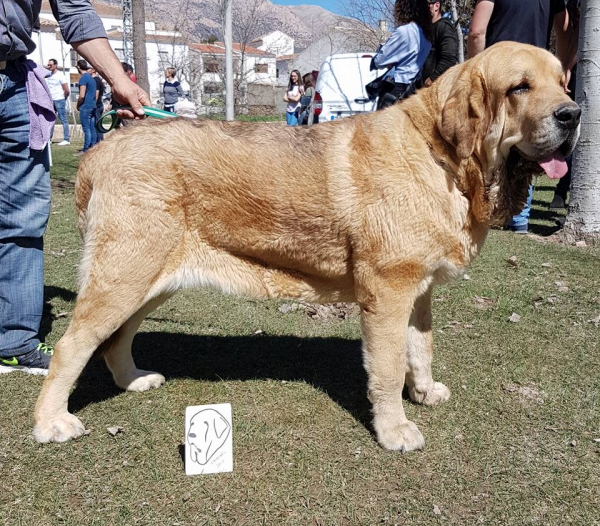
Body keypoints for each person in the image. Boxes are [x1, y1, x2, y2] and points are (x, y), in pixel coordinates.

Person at [0, 0, 150, 375]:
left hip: (14, 80)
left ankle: (15, 343)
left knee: (23, 218)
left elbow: (76, 13)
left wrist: (120, 81)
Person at [467, 0, 572, 234]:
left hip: (502, 82)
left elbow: (476, 32)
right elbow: (565, 30)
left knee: (488, 148)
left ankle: (493, 212)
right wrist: (562, 70)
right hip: (538, 81)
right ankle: (519, 220)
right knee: (532, 145)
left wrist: (472, 77)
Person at [371, 0, 432, 110]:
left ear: (403, 9)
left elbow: (379, 61)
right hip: (414, 90)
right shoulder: (426, 38)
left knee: (384, 125)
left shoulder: (403, 31)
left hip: (396, 88)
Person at [550, 0, 580, 211]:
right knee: (573, 131)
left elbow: (585, 37)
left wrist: (567, 66)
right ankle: (561, 190)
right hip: (578, 72)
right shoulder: (573, 4)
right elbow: (569, 32)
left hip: (582, 68)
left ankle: (561, 191)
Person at [419, 1, 458, 87]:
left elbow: (449, 58)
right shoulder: (425, 29)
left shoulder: (443, 26)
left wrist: (432, 78)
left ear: (436, 6)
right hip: (421, 89)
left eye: (427, 4)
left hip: (435, 89)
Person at [45, 58, 70, 145]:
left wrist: (63, 98)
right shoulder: (48, 75)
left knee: (63, 119)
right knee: (50, 119)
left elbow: (66, 90)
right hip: (50, 100)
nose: (49, 66)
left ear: (55, 65)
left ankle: (66, 139)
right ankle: (49, 139)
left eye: (50, 65)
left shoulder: (60, 75)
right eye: (48, 65)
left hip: (59, 99)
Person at [75, 59, 98, 154]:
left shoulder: (83, 78)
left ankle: (86, 149)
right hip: (93, 105)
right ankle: (93, 147)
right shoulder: (91, 78)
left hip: (86, 106)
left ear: (78, 67)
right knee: (92, 128)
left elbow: (82, 95)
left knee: (86, 128)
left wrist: (77, 105)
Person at [90, 66, 105, 143]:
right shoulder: (96, 80)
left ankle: (100, 141)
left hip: (97, 105)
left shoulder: (96, 80)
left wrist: (93, 104)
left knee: (98, 124)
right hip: (98, 105)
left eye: (89, 68)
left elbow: (96, 93)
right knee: (95, 124)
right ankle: (97, 141)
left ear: (93, 70)